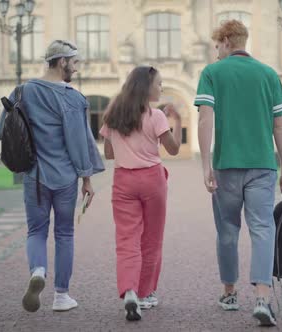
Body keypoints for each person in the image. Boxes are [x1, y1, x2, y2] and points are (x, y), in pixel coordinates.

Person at [195, 20, 282, 327]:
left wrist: (205, 165)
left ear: (226, 41)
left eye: (217, 46)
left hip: (226, 165)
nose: (216, 51)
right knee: (263, 227)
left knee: (227, 229)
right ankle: (262, 298)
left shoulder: (212, 73)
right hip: (263, 165)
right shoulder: (268, 74)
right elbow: (280, 126)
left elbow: (204, 120)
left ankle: (230, 293)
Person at [0, 40, 104, 313]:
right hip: (66, 178)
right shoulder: (74, 98)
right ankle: (61, 296)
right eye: (75, 63)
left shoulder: (22, 91)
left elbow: (1, 130)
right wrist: (87, 179)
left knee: (36, 231)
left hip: (34, 177)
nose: (77, 69)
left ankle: (38, 271)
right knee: (65, 234)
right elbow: (80, 143)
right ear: (61, 61)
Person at [100, 66, 182, 321]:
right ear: (146, 87)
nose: (161, 87)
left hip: (123, 180)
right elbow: (175, 149)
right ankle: (146, 294)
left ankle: (130, 291)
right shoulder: (155, 115)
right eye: (158, 84)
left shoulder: (112, 114)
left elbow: (109, 154)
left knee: (127, 240)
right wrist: (177, 121)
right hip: (152, 180)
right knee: (151, 239)